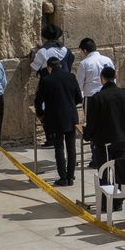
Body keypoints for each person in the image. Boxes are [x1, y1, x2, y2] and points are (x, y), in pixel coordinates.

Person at [34, 56, 82, 186]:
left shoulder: (46, 80)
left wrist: (41, 114)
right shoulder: (71, 77)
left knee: (59, 147)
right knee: (71, 147)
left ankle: (63, 177)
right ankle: (71, 176)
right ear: (60, 65)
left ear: (49, 68)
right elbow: (79, 97)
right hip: (71, 117)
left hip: (55, 118)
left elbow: (38, 100)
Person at [84, 66, 125, 168]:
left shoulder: (97, 98)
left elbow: (92, 121)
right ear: (115, 76)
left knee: (104, 171)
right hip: (122, 138)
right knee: (120, 170)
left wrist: (87, 135)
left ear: (101, 79)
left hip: (105, 140)